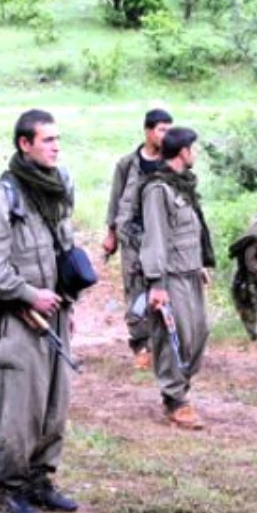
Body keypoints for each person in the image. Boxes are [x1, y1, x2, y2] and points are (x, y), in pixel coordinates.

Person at [0, 109, 79, 513]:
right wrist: (28, 294)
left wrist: (67, 304)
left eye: (57, 139)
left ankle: (40, 480)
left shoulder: (53, 194)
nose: (56, 147)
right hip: (16, 318)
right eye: (47, 140)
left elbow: (61, 252)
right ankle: (9, 487)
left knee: (53, 404)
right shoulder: (3, 198)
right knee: (19, 407)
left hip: (54, 316)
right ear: (24, 144)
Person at [139, 127, 214, 429]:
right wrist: (157, 283)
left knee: (199, 332)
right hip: (169, 276)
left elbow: (190, 229)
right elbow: (155, 237)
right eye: (192, 148)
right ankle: (175, 399)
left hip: (189, 272)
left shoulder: (182, 185)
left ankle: (181, 388)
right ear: (183, 152)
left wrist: (200, 264)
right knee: (174, 336)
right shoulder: (158, 189)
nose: (194, 153)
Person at [104, 109, 172, 370]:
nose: (165, 135)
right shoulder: (127, 164)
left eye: (169, 129)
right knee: (135, 290)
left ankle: (161, 342)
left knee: (161, 285)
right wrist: (111, 233)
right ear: (147, 130)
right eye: (161, 129)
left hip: (161, 237)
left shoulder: (169, 163)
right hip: (131, 236)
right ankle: (140, 343)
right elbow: (116, 198)